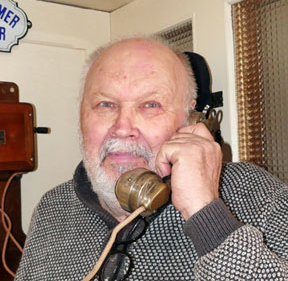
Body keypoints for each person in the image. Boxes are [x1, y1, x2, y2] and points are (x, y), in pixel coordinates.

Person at [15, 37, 288, 280]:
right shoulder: (52, 207)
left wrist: (207, 216)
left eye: (150, 105)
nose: (123, 128)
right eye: (106, 104)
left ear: (191, 121)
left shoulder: (260, 195)